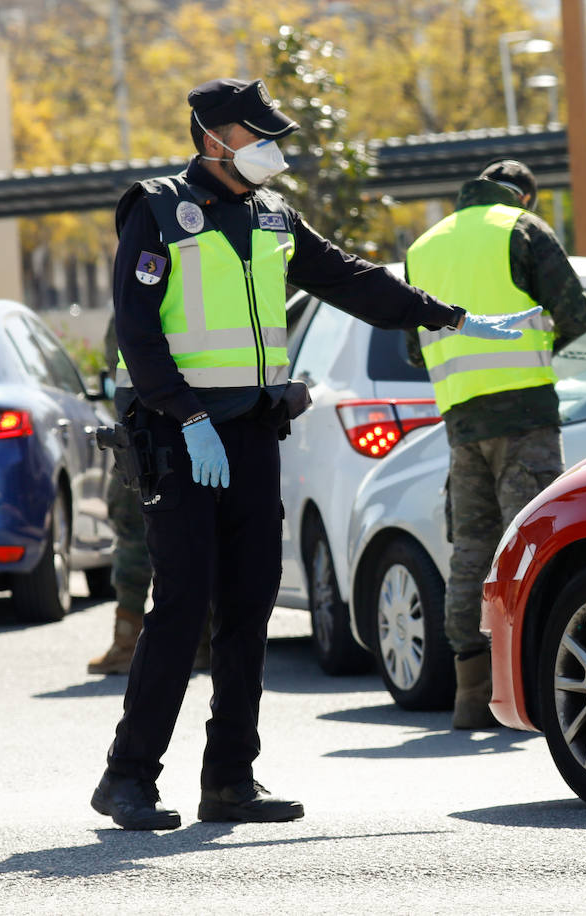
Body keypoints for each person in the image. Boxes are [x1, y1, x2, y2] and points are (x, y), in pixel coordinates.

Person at [92, 77, 537, 832]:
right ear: (213, 138)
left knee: (249, 604)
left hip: (251, 434)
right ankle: (128, 776)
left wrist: (451, 318)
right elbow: (137, 330)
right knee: (182, 606)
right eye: (257, 135)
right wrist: (188, 415)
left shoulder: (273, 217)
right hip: (180, 434)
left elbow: (352, 281)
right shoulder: (159, 209)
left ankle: (230, 778)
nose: (271, 150)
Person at [404, 158, 586, 729]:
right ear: (524, 197)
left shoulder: (423, 247)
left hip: (461, 421)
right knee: (533, 547)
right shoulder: (523, 229)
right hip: (526, 415)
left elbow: (415, 351)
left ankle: (471, 694)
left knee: (472, 551)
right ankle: (536, 689)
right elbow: (576, 315)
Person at [87, 317, 211, 676]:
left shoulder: (135, 299)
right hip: (202, 430)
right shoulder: (205, 296)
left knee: (134, 540)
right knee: (200, 538)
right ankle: (202, 643)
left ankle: (128, 642)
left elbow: (121, 369)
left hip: (146, 438)